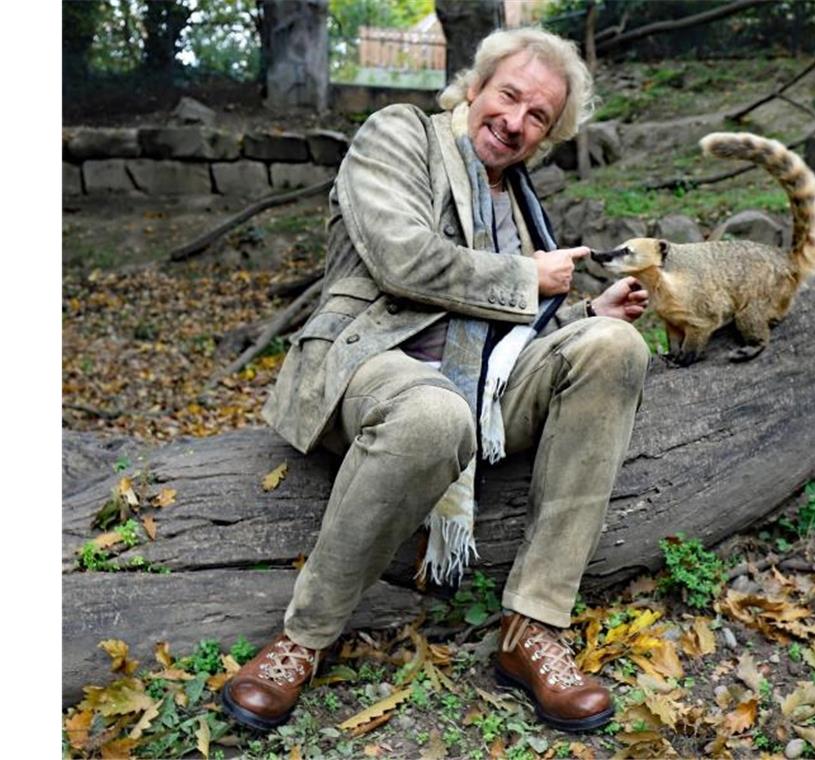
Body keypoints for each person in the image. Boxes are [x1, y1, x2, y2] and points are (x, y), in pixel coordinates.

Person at [221, 27, 650, 734]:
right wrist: (527, 276)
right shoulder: (400, 136)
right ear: (475, 86)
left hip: (486, 389)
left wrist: (582, 312)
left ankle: (532, 629)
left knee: (613, 345)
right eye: (508, 96)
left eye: (537, 115)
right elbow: (404, 260)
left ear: (548, 133)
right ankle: (304, 639)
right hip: (376, 362)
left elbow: (509, 328)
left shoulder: (518, 199)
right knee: (434, 415)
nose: (515, 122)